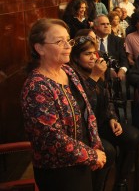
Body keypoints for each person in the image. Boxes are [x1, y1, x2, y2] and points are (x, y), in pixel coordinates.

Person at [21, 19, 106, 191]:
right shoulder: (36, 86)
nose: (68, 46)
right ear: (40, 48)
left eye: (69, 40)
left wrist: (95, 145)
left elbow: (87, 110)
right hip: (59, 170)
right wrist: (91, 155)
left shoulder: (68, 71)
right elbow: (52, 139)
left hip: (81, 160)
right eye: (60, 42)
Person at [69, 36, 139, 191]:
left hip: (102, 122)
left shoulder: (99, 71)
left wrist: (112, 118)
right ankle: (97, 187)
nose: (94, 57)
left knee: (132, 136)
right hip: (86, 128)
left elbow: (107, 100)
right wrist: (94, 76)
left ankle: (121, 181)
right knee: (108, 151)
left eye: (95, 53)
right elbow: (84, 105)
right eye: (87, 54)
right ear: (75, 57)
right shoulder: (73, 76)